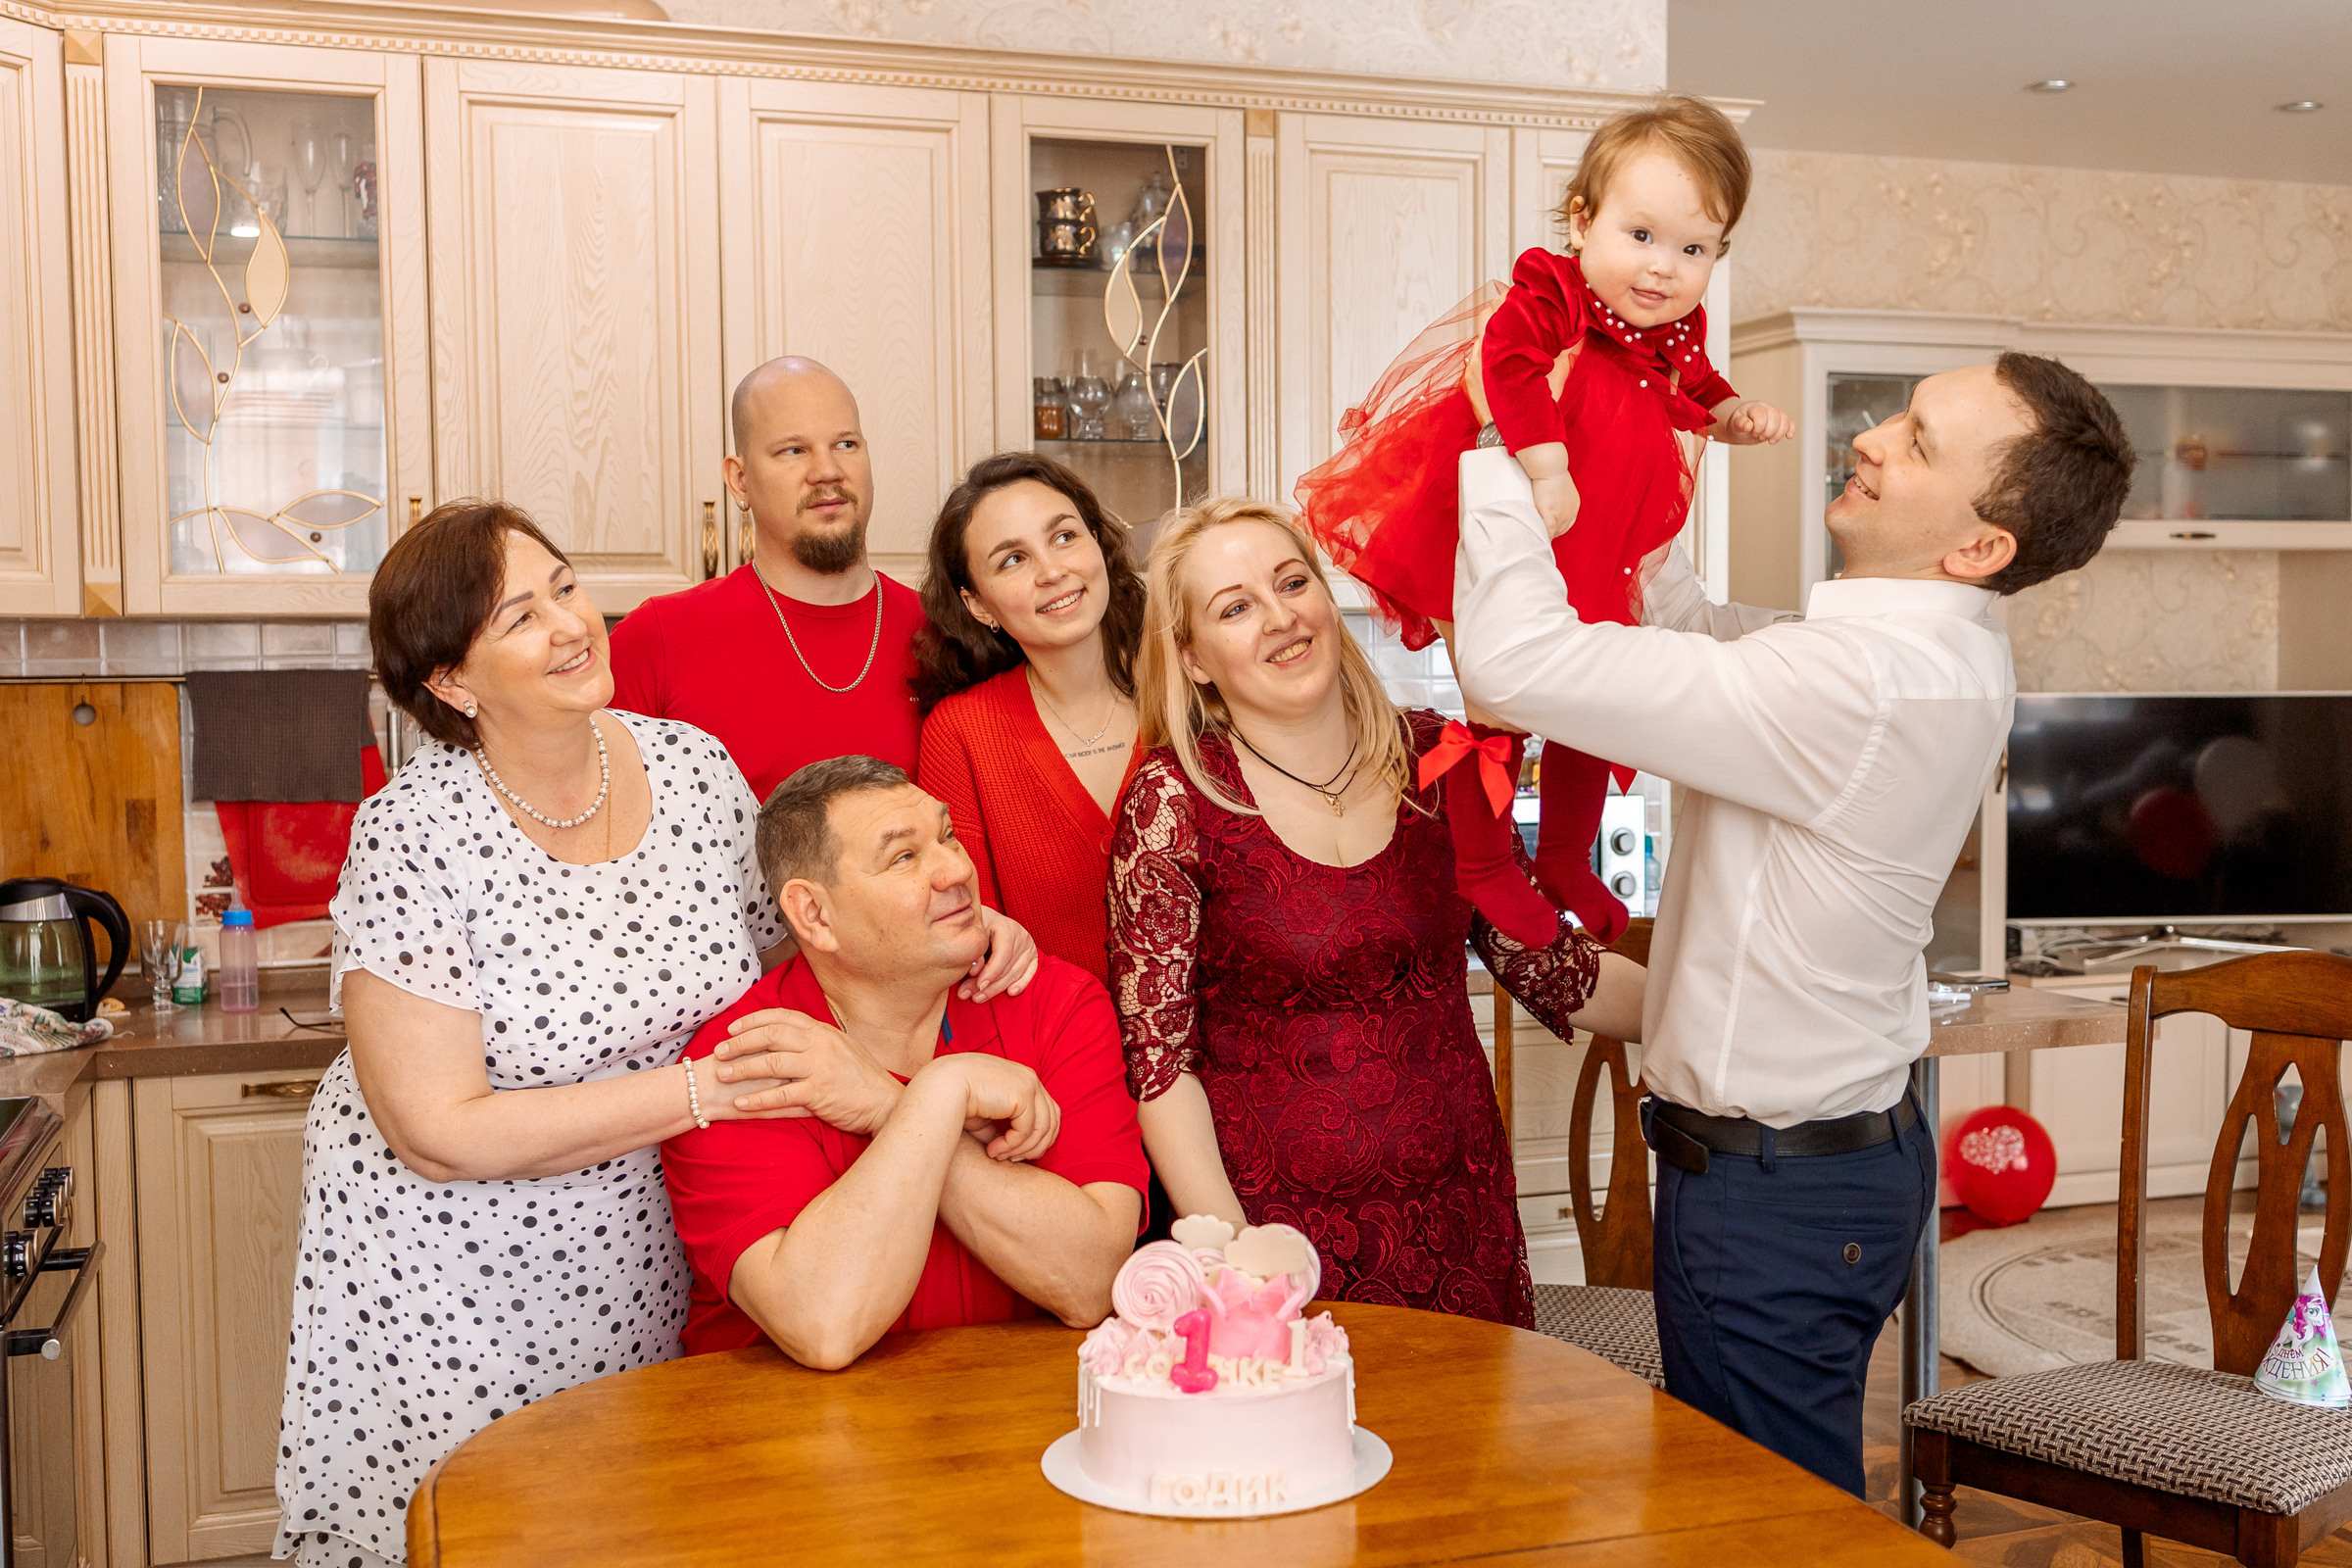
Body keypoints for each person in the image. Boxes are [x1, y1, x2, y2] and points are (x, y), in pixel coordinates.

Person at [1452, 352, 2135, 1493]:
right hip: (1825, 1169)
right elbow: (1693, 626)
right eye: (1902, 414)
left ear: (1979, 547)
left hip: (1772, 1197)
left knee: (1767, 1519)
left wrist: (1503, 445)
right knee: (1768, 1506)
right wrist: (1633, 467)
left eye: (1918, 442)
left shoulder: (1857, 682)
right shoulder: (1928, 652)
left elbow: (1510, 663)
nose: (1871, 437)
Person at [275, 501, 802, 1568]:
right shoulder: (415, 832)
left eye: (565, 588)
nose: (571, 625)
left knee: (633, 1523)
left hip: (650, 1243)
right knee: (483, 1529)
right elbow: (438, 1131)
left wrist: (960, 934)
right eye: (520, 617)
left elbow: (784, 940)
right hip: (449, 1277)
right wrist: (703, 1092)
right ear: (452, 682)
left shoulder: (693, 769)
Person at [1106, 497, 1645, 1328]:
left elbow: (1548, 965)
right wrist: (1236, 1259)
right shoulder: (1173, 799)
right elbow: (1160, 1065)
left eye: (1293, 583)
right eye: (1236, 608)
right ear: (1193, 658)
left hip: (1460, 1219)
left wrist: (1723, 1014)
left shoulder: (1439, 759)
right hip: (1277, 1237)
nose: (1280, 618)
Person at [1294, 95, 1791, 948]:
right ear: (1583, 221)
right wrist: (1547, 468)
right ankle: (1486, 862)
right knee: (1498, 698)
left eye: (1693, 249)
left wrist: (1732, 414)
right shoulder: (1552, 292)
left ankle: (1563, 857)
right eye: (1642, 235)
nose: (1663, 269)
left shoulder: (1676, 326)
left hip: (1598, 534)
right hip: (1509, 512)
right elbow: (1509, 366)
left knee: (1596, 696)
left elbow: (1698, 385)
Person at [661, 756, 1147, 1369]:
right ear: (814, 915)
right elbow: (824, 1325)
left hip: (1019, 1408)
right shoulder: (743, 1057)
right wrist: (943, 1093)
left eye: (948, 836)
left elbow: (1091, 1282)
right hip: (792, 1421)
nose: (957, 870)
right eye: (904, 857)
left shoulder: (1055, 1002)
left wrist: (893, 1105)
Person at [608, 357, 926, 800]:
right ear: (740, 480)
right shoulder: (656, 639)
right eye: (794, 450)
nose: (827, 470)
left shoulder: (943, 631)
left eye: (846, 444)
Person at [911, 451, 1148, 987]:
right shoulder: (960, 733)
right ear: (978, 605)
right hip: (1055, 1036)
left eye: (1064, 536)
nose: (1053, 571)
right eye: (1012, 560)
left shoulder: (1193, 692)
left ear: (1097, 544)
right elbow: (971, 933)